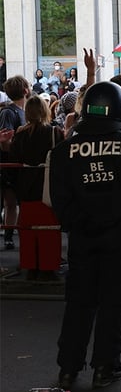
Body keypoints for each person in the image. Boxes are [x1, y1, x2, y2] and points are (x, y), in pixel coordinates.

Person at [50, 81, 121, 390]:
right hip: (119, 238)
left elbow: (60, 201)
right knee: (113, 303)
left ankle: (68, 369)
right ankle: (105, 367)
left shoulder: (63, 150)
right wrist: (111, 220)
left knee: (79, 303)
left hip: (82, 237)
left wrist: (85, 221)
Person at [9, 96, 64, 280]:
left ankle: (31, 266)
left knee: (28, 230)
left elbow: (14, 157)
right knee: (49, 228)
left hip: (26, 185)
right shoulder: (54, 132)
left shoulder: (20, 133)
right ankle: (48, 267)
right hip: (47, 186)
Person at [0, 75, 30, 249]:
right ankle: (8, 236)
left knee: (11, 203)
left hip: (13, 164)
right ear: (25, 90)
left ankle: (9, 235)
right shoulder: (9, 112)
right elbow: (5, 144)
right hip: (8, 164)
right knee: (9, 203)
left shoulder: (19, 112)